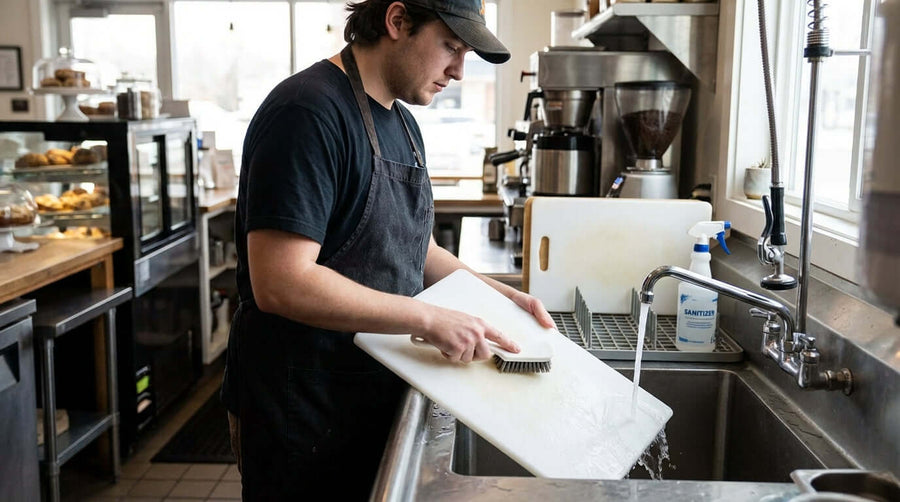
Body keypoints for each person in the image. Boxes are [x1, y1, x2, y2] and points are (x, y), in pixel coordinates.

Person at [220, 0, 556, 498]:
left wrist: (500, 295)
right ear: (397, 21)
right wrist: (427, 318)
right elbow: (281, 281)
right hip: (303, 407)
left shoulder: (401, 122)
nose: (460, 71)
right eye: (451, 47)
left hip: (371, 394)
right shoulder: (307, 113)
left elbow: (410, 248)